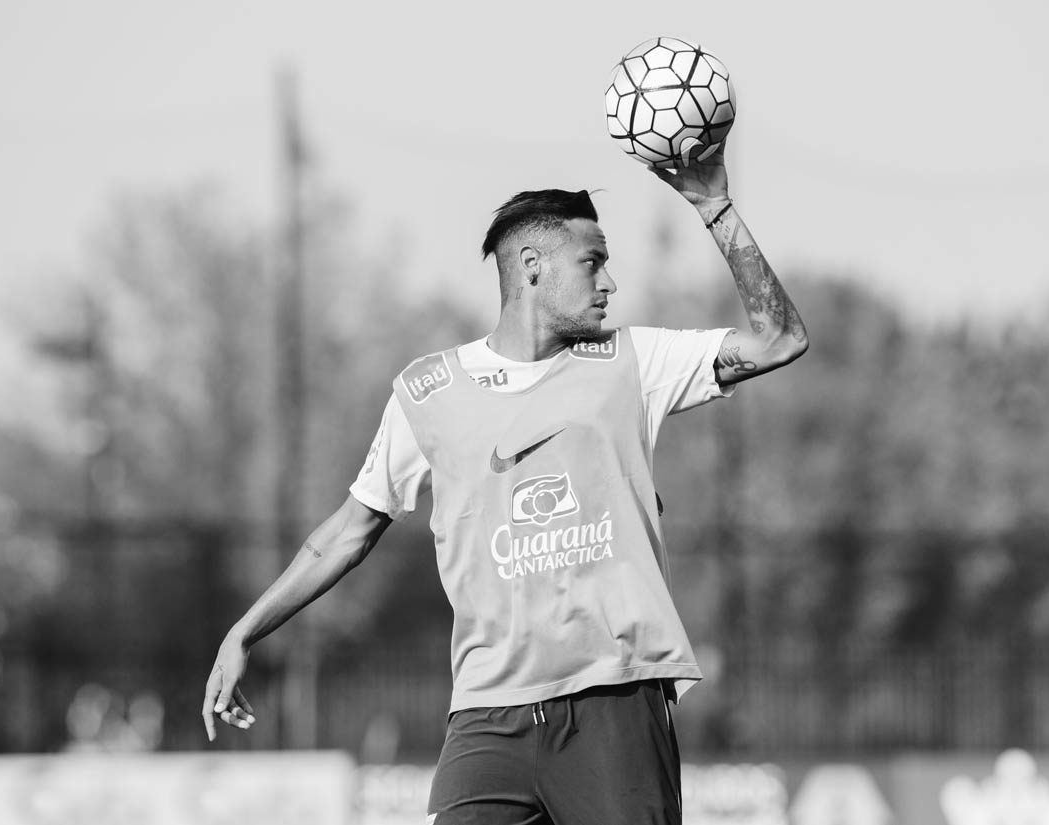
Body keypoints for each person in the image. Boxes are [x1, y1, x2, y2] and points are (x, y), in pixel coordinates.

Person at [202, 143, 808, 824]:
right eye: (593, 262)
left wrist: (714, 206)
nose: (609, 282)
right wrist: (243, 632)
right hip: (487, 718)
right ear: (531, 266)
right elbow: (347, 532)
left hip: (613, 703)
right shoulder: (427, 392)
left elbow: (779, 340)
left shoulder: (632, 362)